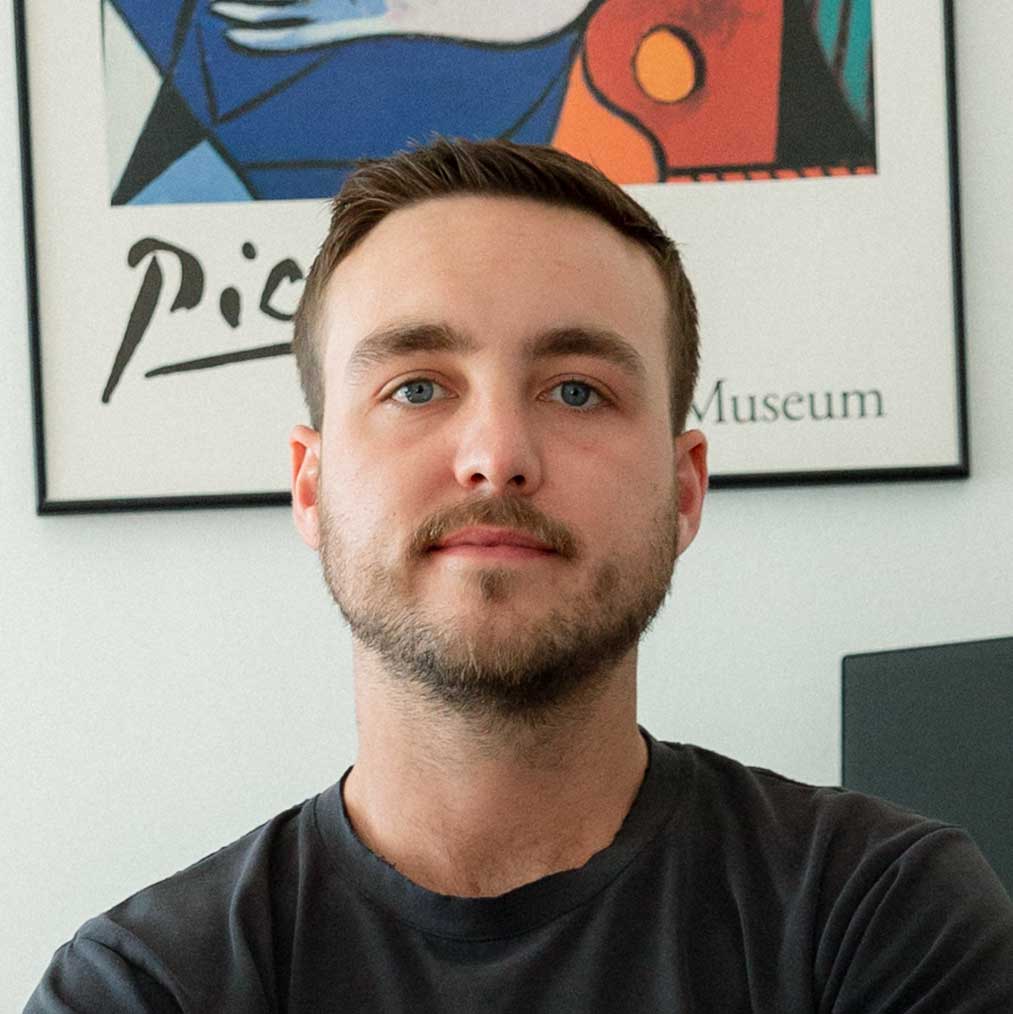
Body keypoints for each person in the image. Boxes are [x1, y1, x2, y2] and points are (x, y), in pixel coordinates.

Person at [27, 138, 1013, 1012]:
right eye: (416, 386)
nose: (496, 455)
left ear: (681, 491)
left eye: (577, 390)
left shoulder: (880, 914)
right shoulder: (143, 986)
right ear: (311, 485)